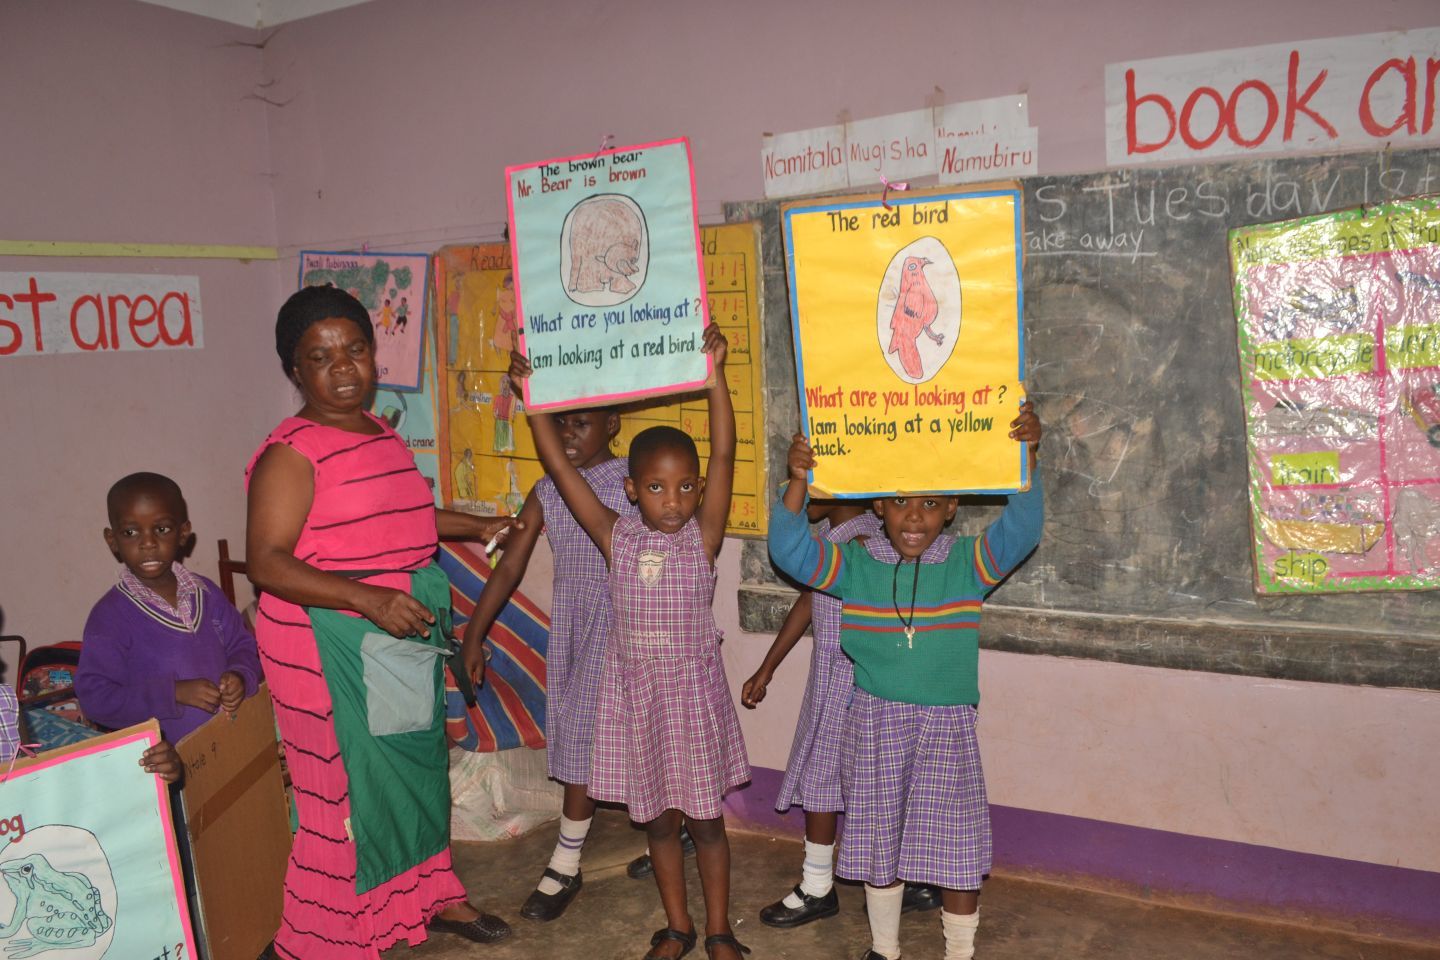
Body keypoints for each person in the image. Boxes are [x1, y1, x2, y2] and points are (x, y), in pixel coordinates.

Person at [246, 286, 518, 957]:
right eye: (320, 357)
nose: (342, 367)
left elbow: (405, 520)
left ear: (373, 354)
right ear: (294, 370)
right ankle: (323, 935)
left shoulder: (380, 431)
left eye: (355, 349)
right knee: (347, 790)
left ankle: (431, 895)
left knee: (414, 766)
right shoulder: (291, 452)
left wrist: (476, 524)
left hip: (395, 634)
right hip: (324, 643)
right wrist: (366, 599)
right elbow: (267, 562)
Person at [768, 401, 1043, 960]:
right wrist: (798, 482)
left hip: (946, 730)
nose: (914, 518)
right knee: (879, 842)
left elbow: (1023, 527)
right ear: (878, 505)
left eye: (930, 504)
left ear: (952, 508)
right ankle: (884, 948)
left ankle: (959, 952)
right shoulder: (857, 565)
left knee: (956, 848)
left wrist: (1028, 455)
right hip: (874, 725)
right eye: (899, 502)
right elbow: (789, 548)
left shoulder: (968, 565)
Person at [512, 324, 751, 960]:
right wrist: (532, 400)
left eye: (685, 487)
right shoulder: (615, 537)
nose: (672, 501)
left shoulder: (702, 539)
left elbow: (725, 455)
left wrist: (715, 378)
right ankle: (678, 927)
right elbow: (560, 468)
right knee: (660, 824)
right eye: (656, 487)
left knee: (707, 824)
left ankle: (719, 931)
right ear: (630, 489)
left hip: (691, 702)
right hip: (638, 702)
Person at [460, 403, 632, 922]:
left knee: (641, 735)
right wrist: (473, 635)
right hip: (579, 627)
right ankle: (573, 860)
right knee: (581, 737)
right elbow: (510, 562)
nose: (568, 435)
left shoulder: (632, 477)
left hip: (629, 621)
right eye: (558, 423)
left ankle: (567, 862)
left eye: (581, 424)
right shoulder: (546, 490)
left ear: (612, 425)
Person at [742, 503, 944, 928]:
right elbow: (809, 601)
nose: (801, 494)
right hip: (834, 679)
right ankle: (899, 881)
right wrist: (767, 668)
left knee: (841, 782)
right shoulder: (839, 539)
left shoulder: (866, 543)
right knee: (851, 782)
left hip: (856, 683)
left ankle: (823, 886)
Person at [77, 472, 262, 764]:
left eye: (161, 529)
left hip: (231, 746)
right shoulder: (109, 617)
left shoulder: (206, 594)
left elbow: (244, 645)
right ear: (112, 540)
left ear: (183, 533)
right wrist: (172, 693)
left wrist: (240, 675)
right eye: (131, 532)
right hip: (169, 767)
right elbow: (95, 699)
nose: (148, 543)